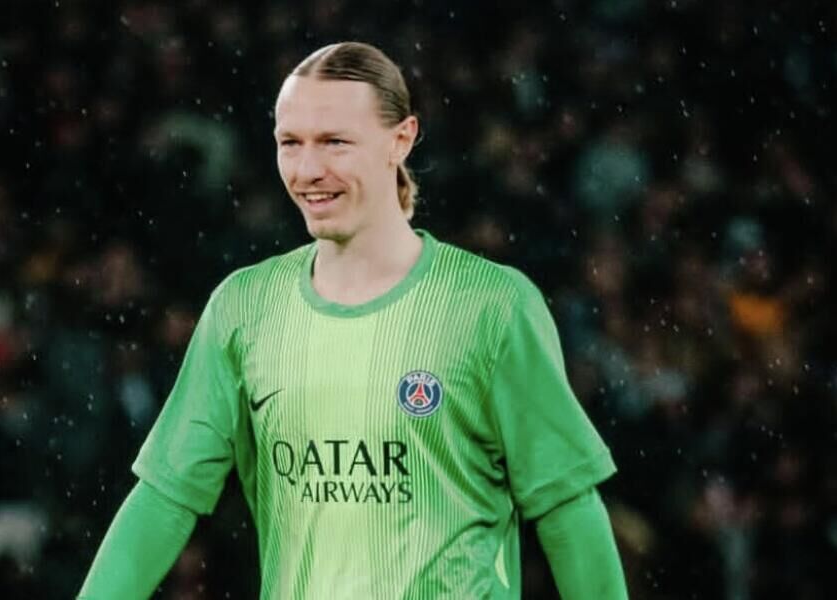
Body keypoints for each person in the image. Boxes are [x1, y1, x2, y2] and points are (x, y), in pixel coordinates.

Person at [79, 41, 627, 599]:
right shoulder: (244, 307)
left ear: (401, 139)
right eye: (290, 143)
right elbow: (166, 498)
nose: (308, 170)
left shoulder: (491, 305)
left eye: (335, 142)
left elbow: (566, 508)